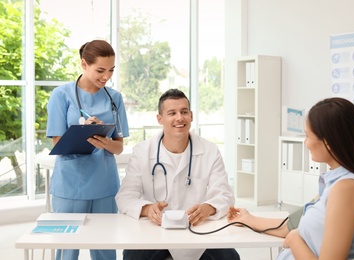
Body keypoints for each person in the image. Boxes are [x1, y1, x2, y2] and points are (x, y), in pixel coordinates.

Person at [228, 97, 354, 259]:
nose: (305, 143)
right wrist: (248, 219)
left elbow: (293, 235)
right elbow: (288, 227)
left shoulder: (346, 190)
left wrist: (295, 241)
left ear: (328, 142)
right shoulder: (335, 184)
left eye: (307, 136)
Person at [116, 89, 240, 260]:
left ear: (191, 116)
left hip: (198, 230)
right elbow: (125, 197)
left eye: (184, 112)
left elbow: (225, 195)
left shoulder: (210, 151)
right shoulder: (142, 151)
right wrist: (146, 209)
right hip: (155, 231)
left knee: (230, 258)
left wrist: (208, 208)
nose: (179, 118)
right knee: (132, 257)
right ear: (160, 119)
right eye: (171, 113)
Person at [46, 39, 129, 260]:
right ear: (84, 64)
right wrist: (82, 130)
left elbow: (119, 147)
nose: (106, 76)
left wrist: (105, 143)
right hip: (70, 185)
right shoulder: (61, 95)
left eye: (111, 70)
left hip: (105, 184)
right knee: (66, 249)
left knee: (105, 249)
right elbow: (58, 144)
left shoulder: (115, 98)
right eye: (100, 70)